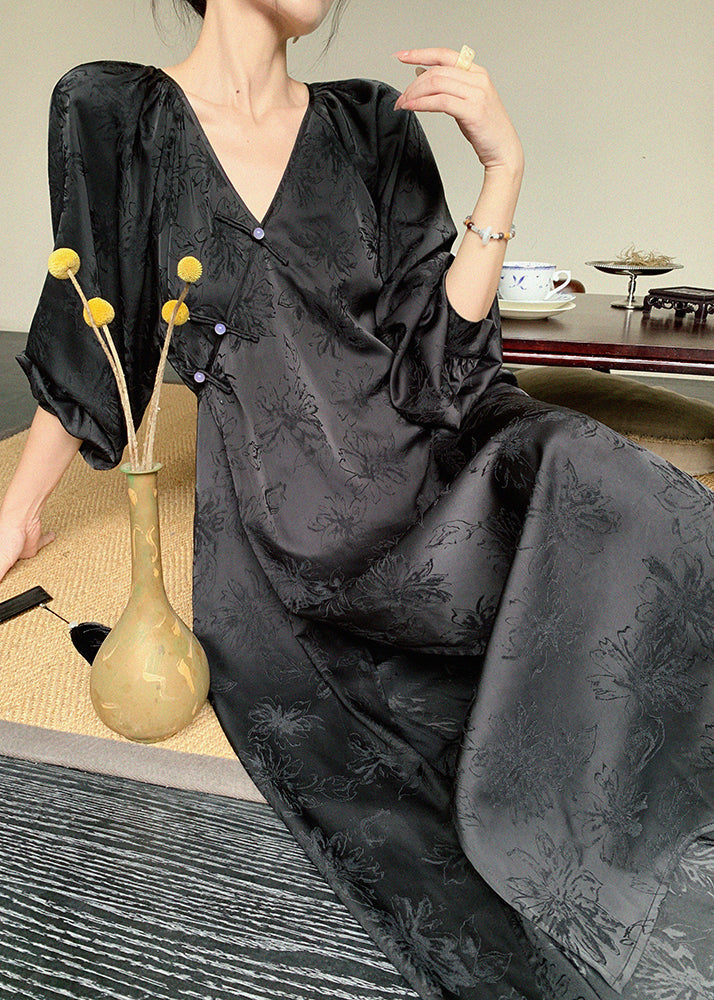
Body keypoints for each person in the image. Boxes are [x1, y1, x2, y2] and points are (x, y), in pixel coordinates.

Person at [2, 2, 713, 997]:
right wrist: (17, 508)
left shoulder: (372, 120)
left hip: (429, 457)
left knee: (600, 472)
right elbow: (92, 327)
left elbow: (441, 370)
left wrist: (503, 169)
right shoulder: (114, 110)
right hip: (289, 514)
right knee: (387, 736)